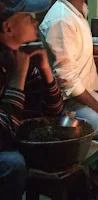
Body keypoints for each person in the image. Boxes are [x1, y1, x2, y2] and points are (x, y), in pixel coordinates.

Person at [39, 0, 98, 148]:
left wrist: (97, 50)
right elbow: (67, 80)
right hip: (72, 103)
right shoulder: (61, 20)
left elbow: (74, 45)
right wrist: (96, 108)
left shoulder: (78, 10)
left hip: (94, 96)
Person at [0, 0, 63, 199]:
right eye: (28, 17)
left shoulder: (20, 56)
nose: (35, 22)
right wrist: (18, 77)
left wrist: (46, 71)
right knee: (13, 164)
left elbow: (54, 111)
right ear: (8, 27)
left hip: (9, 137)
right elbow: (2, 135)